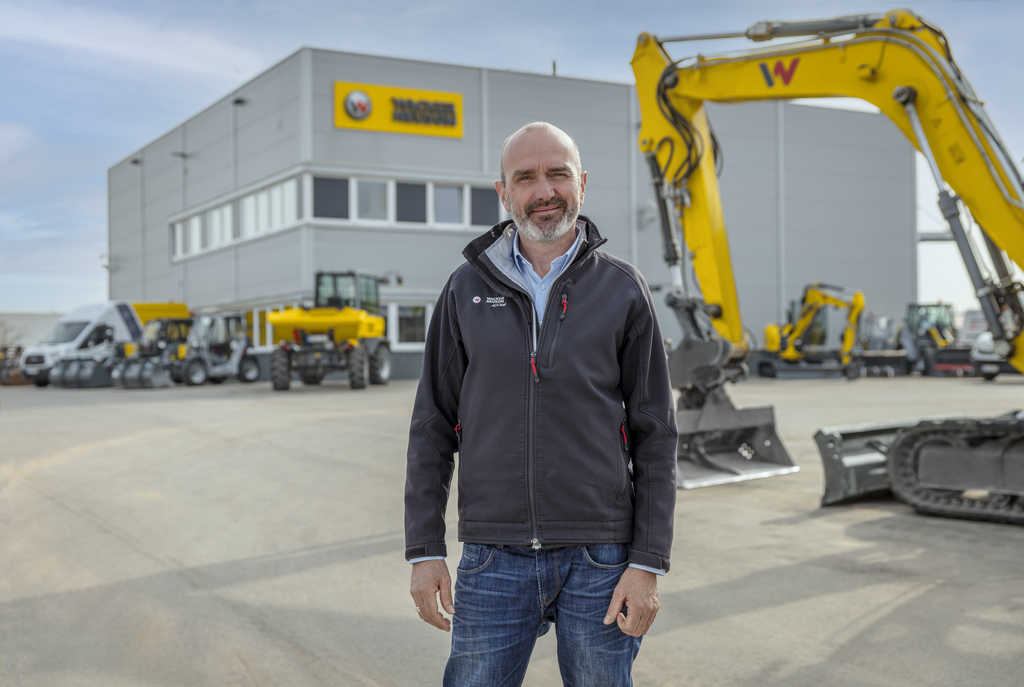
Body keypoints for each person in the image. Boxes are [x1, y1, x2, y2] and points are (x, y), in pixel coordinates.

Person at [405, 121, 677, 686]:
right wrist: (424, 549)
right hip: (492, 557)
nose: (543, 189)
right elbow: (432, 425)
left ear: (582, 182)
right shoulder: (463, 290)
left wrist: (647, 562)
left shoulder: (623, 289)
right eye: (525, 177)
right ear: (503, 193)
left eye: (557, 174)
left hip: (603, 557)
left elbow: (656, 434)